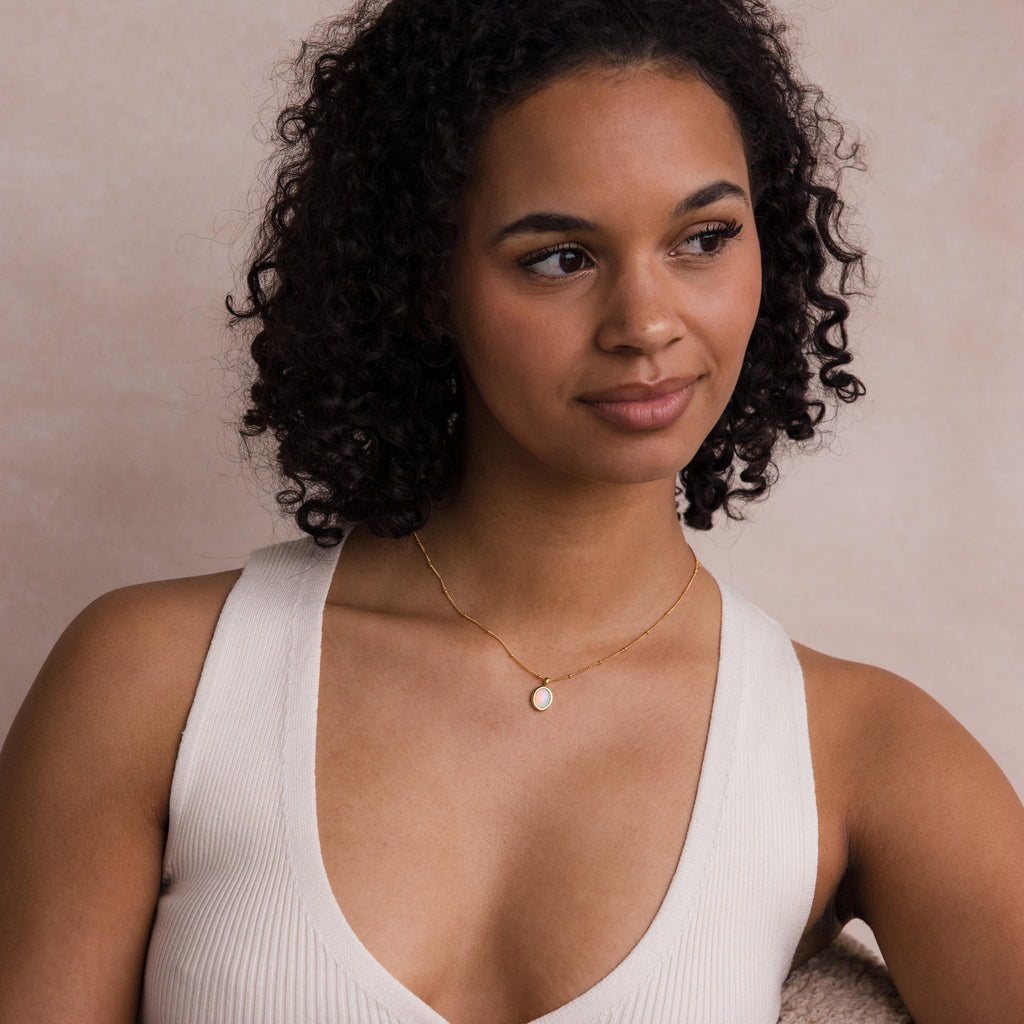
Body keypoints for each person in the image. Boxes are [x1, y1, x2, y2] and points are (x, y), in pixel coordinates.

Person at [1, 0, 1022, 1021]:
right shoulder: (151, 680)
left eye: (703, 237)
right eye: (559, 257)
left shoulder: (866, 751)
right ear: (424, 283)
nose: (647, 322)